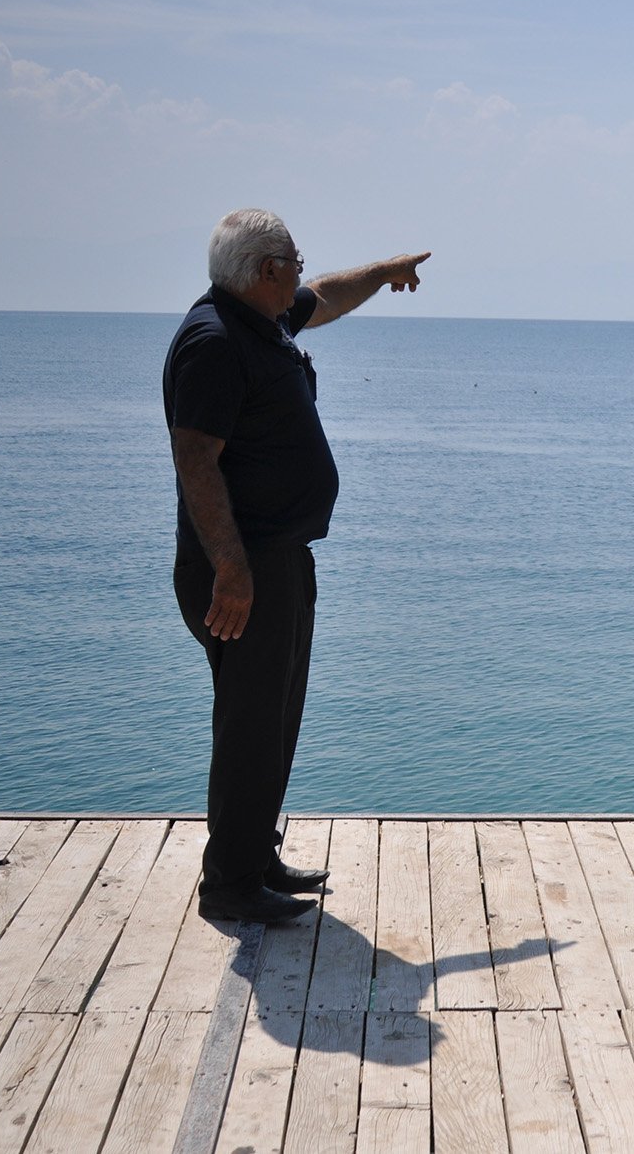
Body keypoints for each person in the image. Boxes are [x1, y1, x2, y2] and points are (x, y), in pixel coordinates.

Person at [165, 207, 429, 923]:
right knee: (250, 722)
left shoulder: (260, 321)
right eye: (295, 264)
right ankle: (230, 883)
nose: (304, 276)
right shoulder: (215, 342)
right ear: (265, 271)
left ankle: (254, 854)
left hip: (276, 562)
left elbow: (333, 296)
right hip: (241, 571)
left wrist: (385, 271)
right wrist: (232, 568)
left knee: (274, 719)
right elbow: (196, 460)